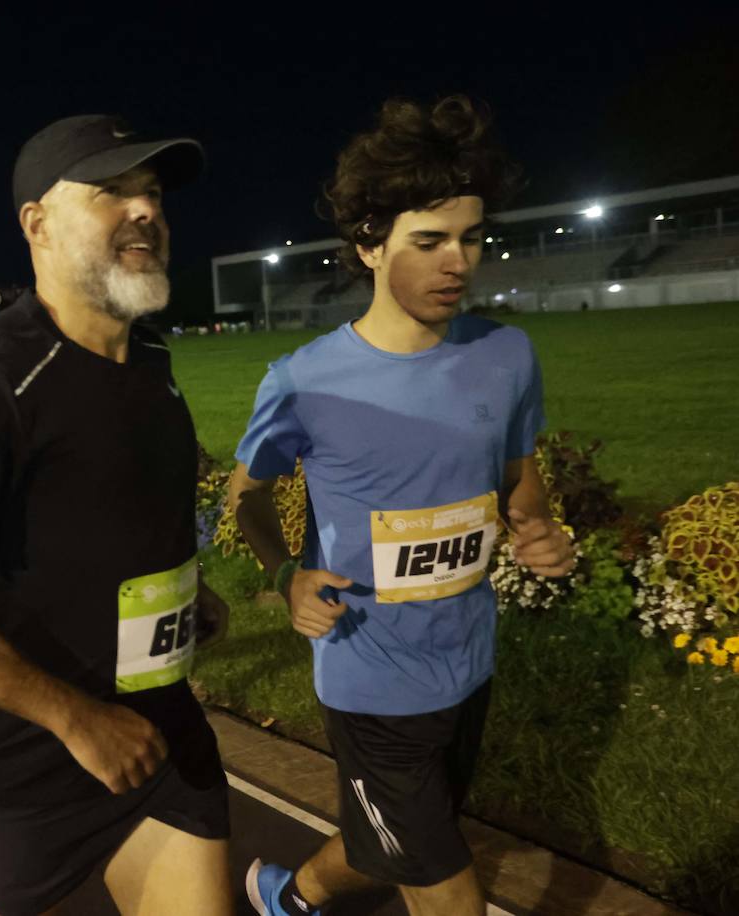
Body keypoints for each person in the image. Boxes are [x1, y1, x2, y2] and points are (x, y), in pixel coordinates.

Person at [0, 115, 233, 916]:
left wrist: (186, 596)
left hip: (157, 737)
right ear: (37, 223)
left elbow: (121, 517)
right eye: (113, 192)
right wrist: (75, 720)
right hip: (21, 765)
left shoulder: (155, 363)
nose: (146, 211)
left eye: (154, 194)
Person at [230, 96, 576, 916]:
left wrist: (539, 524)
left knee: (395, 842)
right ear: (369, 246)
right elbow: (247, 499)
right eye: (430, 242)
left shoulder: (507, 355)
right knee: (444, 882)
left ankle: (292, 899)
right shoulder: (304, 380)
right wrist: (287, 577)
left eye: (471, 238)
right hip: (368, 674)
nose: (458, 261)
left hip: (466, 660)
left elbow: (517, 474)